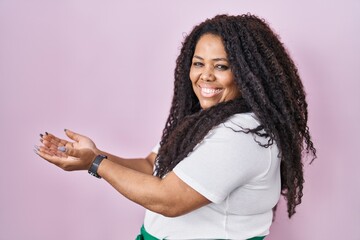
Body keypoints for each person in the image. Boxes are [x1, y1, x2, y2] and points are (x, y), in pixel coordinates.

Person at [34, 14, 316, 239]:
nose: (205, 76)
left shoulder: (242, 134)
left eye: (221, 66)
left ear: (247, 73)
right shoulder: (207, 121)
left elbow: (169, 199)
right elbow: (151, 165)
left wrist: (96, 164)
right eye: (198, 63)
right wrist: (93, 157)